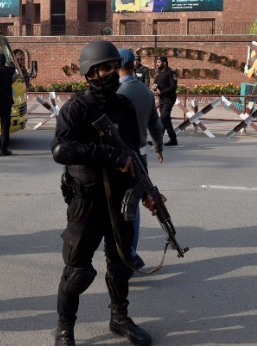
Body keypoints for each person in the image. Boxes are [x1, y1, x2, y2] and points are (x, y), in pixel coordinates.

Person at [51, 40, 155, 346]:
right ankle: (65, 326)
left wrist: (148, 190)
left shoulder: (125, 107)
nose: (112, 74)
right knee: (78, 271)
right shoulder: (77, 109)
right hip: (87, 199)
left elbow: (134, 155)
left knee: (121, 264)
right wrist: (109, 156)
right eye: (105, 68)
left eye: (114, 67)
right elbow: (61, 149)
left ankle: (119, 318)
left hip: (120, 199)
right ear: (91, 73)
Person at [117, 48, 164, 270]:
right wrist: (159, 146)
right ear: (133, 65)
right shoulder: (145, 91)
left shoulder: (117, 92)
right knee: (132, 206)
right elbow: (156, 124)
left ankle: (119, 254)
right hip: (140, 155)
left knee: (117, 207)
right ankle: (131, 252)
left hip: (119, 158)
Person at [152, 56, 179, 146]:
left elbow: (173, 87)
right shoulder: (158, 72)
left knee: (162, 118)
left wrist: (161, 92)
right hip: (162, 99)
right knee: (166, 120)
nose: (157, 63)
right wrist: (154, 87)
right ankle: (173, 139)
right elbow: (155, 82)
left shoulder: (171, 72)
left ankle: (157, 141)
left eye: (159, 62)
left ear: (164, 63)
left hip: (169, 98)